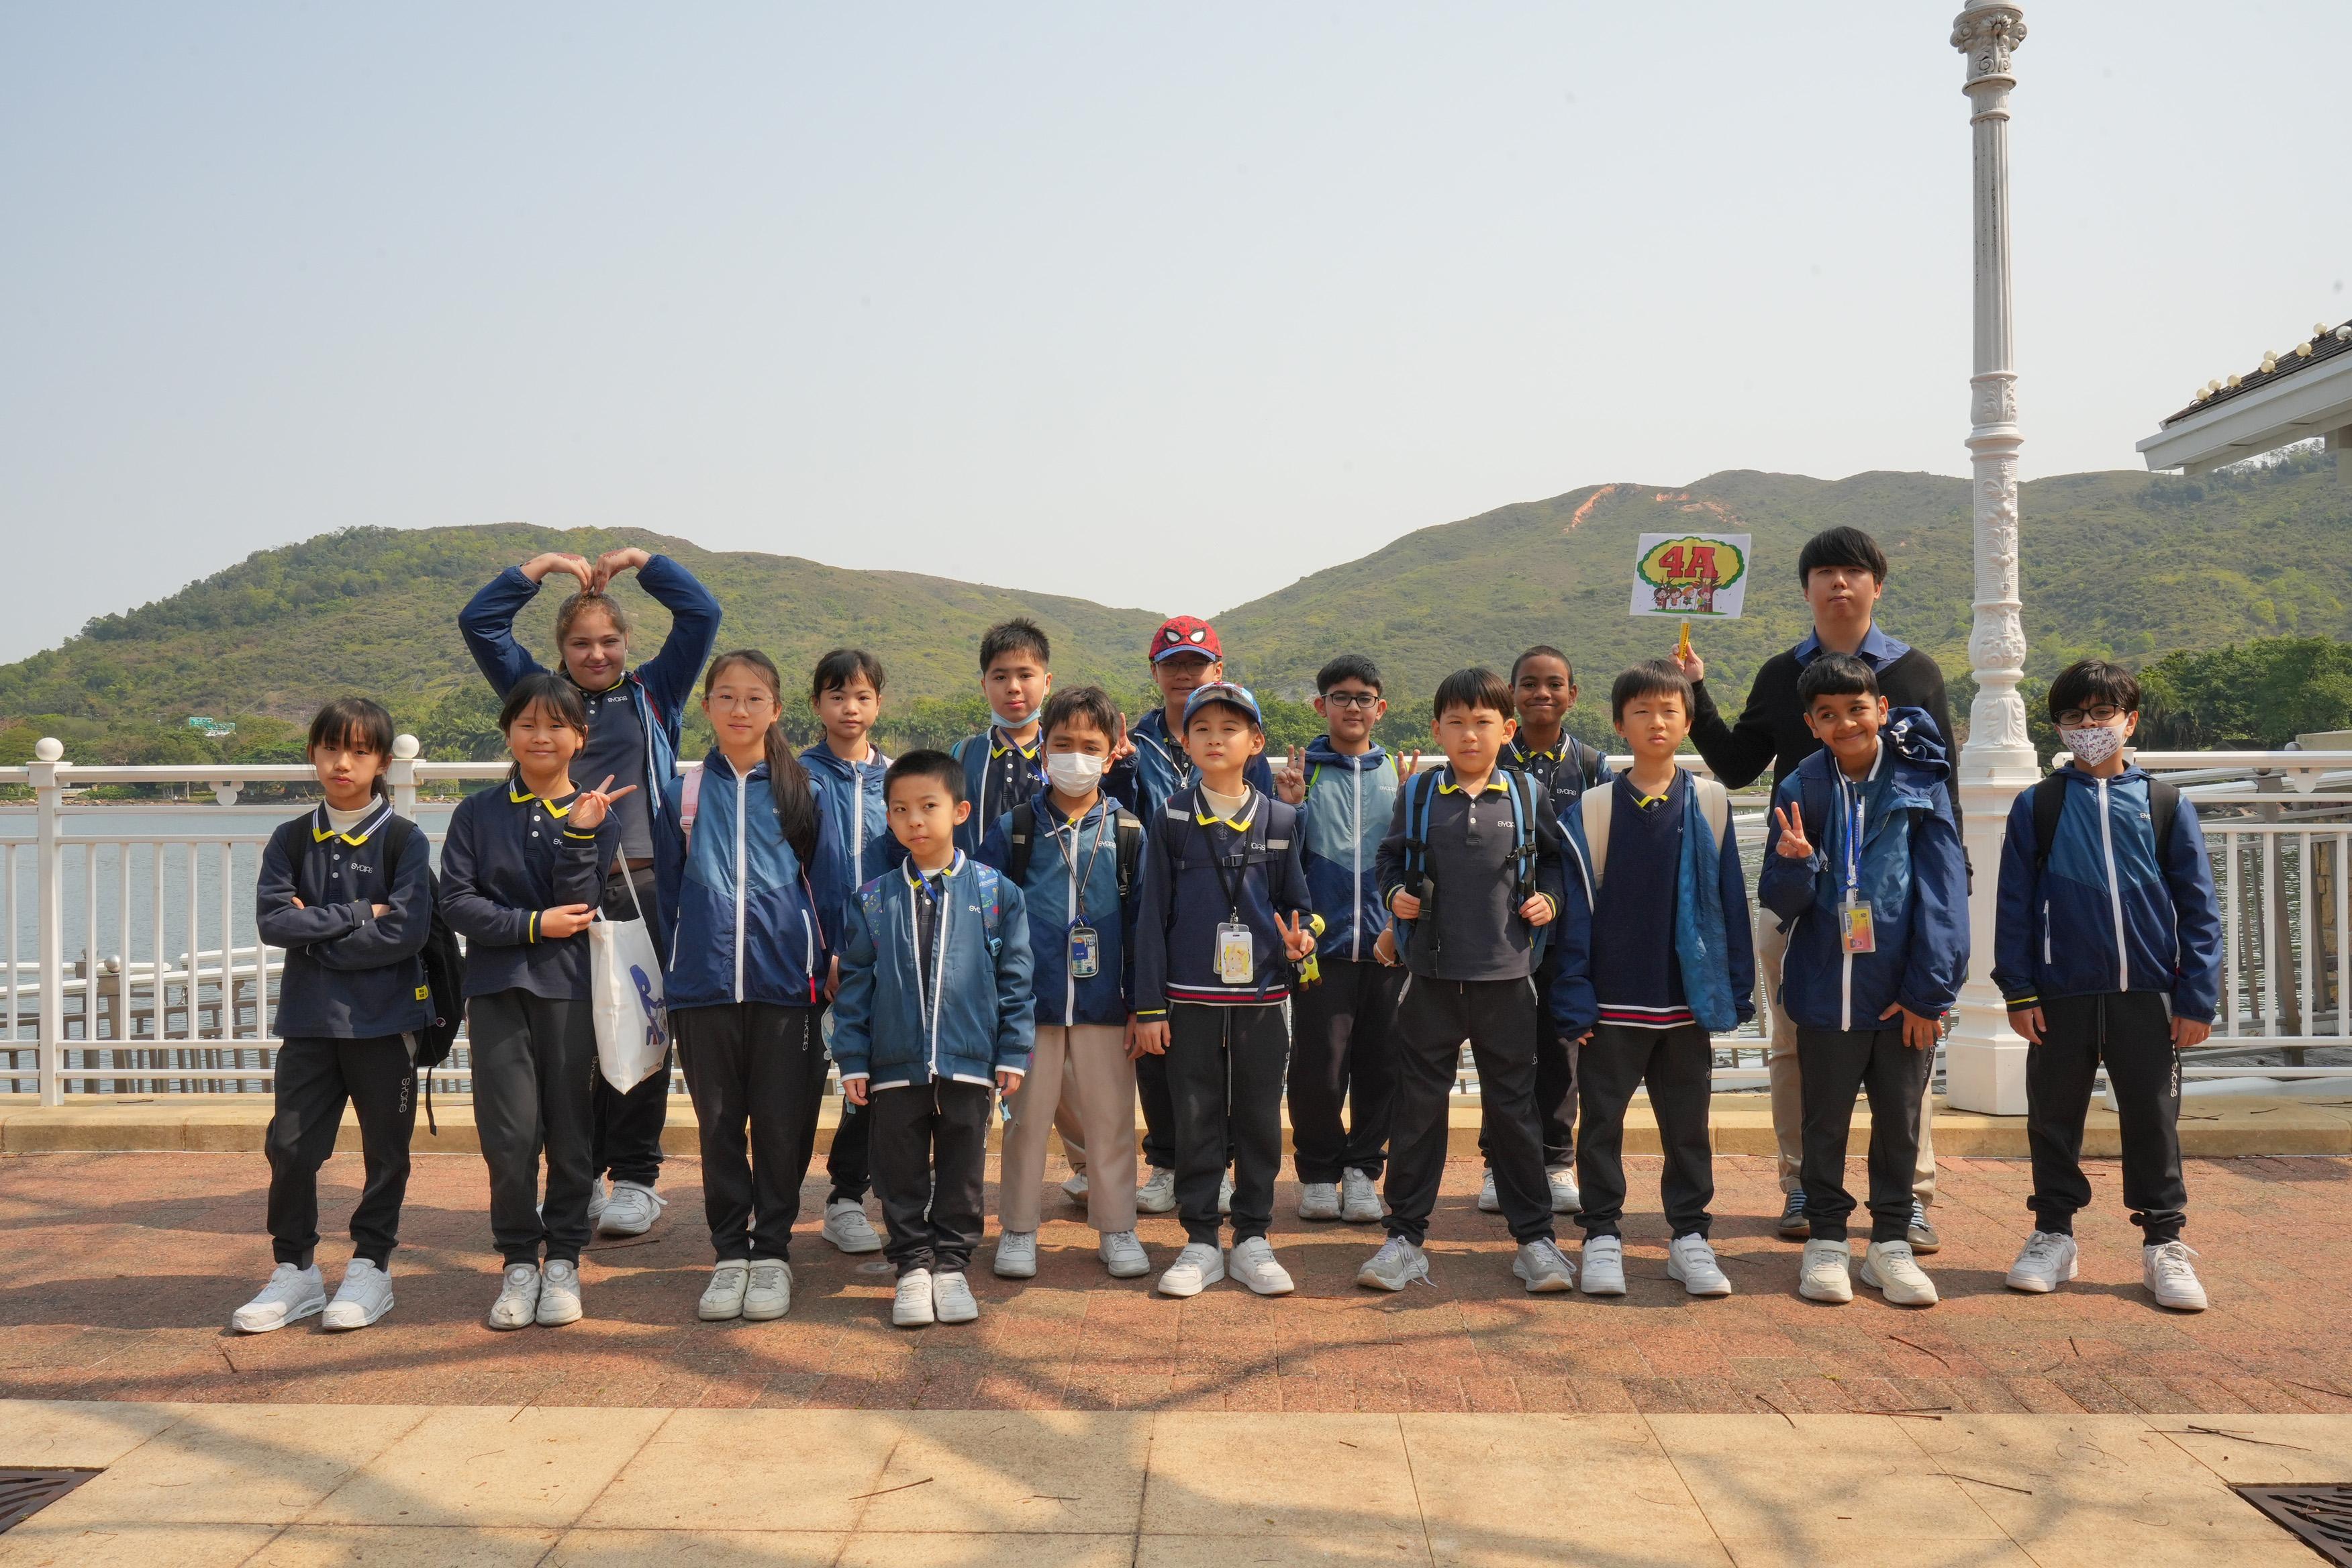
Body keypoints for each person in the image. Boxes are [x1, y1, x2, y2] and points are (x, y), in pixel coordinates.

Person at [1673, 526, 1956, 1251]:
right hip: (1798, 894)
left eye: (1854, 571)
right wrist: (1696, 689)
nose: (1839, 583)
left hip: (1892, 903)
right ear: (1805, 589)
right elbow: (1737, 765)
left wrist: (1944, 906)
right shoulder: (1781, 674)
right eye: (1824, 572)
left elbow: (1942, 791)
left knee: (1910, 1040)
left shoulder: (1915, 673)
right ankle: (1801, 1181)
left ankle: (1912, 1195)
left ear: (1877, 585)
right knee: (1795, 1040)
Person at [459, 546, 722, 1239]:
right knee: (570, 1042)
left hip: (640, 883)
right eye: (580, 643)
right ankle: (580, 1178)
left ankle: (635, 1178)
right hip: (558, 891)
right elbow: (480, 623)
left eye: (609, 640)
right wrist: (538, 568)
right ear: (561, 649)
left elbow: (702, 613)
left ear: (627, 643)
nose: (596, 654)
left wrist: (642, 561)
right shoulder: (539, 694)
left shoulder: (654, 690)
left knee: (639, 1025)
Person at [1994, 660, 2222, 1312]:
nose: (2089, 726)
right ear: (2058, 728)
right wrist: (2019, 991)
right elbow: (2013, 907)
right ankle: (2053, 1234)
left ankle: (2164, 1243)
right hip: (2059, 993)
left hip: (2148, 993)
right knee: (2052, 1117)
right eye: (2074, 716)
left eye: (2102, 713)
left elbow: (2200, 909)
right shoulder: (2039, 805)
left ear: (2130, 720)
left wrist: (2196, 996)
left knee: (2153, 1117)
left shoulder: (2165, 803)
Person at [1757, 656, 1967, 1308]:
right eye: (1828, 714)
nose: (1845, 723)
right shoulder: (1801, 786)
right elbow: (1779, 900)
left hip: (1902, 995)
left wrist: (1930, 992)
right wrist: (1797, 865)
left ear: (1881, 709)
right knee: (1824, 1123)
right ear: (1811, 724)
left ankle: (1889, 1244)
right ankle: (1826, 1240)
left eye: (1856, 709)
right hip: (1825, 990)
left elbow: (1944, 892)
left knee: (1900, 1124)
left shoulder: (1919, 781)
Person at [1357, 668, 1572, 1295]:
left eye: (1483, 723)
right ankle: (1404, 1238)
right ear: (1437, 730)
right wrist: (1394, 895)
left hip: (1508, 977)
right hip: (1430, 977)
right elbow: (1389, 858)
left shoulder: (1527, 794)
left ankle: (1535, 1241)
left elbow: (1556, 864)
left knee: (1515, 1112)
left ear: (1507, 730)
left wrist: (1551, 902)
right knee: (1419, 1110)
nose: (1469, 734)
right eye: (1456, 722)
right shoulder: (1420, 793)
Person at [1551, 660, 1753, 1299]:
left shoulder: (1710, 803)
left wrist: (1735, 990)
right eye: (1641, 711)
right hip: (1612, 1005)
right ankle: (1602, 1235)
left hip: (1687, 1002)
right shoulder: (1594, 809)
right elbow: (1575, 915)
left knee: (1688, 1128)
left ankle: (1689, 1236)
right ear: (1619, 724)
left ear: (1689, 722)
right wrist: (1575, 996)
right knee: (1601, 1125)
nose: (1656, 722)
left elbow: (1731, 904)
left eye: (1670, 711)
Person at [233, 698, 434, 1334]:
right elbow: (274, 923)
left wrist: (316, 935)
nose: (342, 762)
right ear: (313, 754)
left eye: (359, 751)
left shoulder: (404, 840)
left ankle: (372, 1265)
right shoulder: (292, 838)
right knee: (289, 1147)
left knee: (386, 1152)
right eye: (330, 748)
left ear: (382, 761)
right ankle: (294, 1270)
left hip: (385, 1023)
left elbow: (407, 932)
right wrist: (358, 913)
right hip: (309, 1022)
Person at [439, 673, 629, 1330]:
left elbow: (579, 905)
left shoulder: (598, 813)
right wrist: (530, 924)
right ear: (509, 734)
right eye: (527, 724)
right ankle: (520, 1261)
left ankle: (565, 1260)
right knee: (510, 1136)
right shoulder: (476, 812)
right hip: (495, 989)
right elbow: (456, 902)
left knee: (572, 1133)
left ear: (580, 737)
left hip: (571, 990)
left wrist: (579, 834)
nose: (540, 736)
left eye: (555, 725)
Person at [656, 650, 840, 1324]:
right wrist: (676, 974)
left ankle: (773, 1253)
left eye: (755, 697)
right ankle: (730, 1252)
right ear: (706, 706)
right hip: (703, 988)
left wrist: (831, 961)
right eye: (727, 696)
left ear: (776, 709)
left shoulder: (805, 790)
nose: (740, 709)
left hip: (788, 985)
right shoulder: (681, 794)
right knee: (719, 1126)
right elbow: (667, 898)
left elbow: (830, 887)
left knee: (785, 1126)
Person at [830, 750, 1034, 1328]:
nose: (914, 820)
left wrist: (1012, 1052)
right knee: (899, 1172)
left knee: (963, 1171)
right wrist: (853, 1058)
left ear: (959, 811)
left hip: (969, 1063)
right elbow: (856, 988)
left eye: (928, 806)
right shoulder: (873, 898)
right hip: (894, 1066)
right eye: (900, 810)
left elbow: (1017, 981)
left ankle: (951, 1267)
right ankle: (913, 1268)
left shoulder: (996, 893)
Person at [1131, 682, 1318, 1299]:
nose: (1216, 739)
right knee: (1194, 1114)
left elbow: (1300, 907)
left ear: (1255, 743)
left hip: (1263, 997)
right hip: (1188, 998)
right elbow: (1151, 917)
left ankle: (1255, 1237)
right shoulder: (1172, 818)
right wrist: (1149, 1007)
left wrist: (1304, 940)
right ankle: (1201, 1241)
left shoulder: (1282, 820)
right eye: (1202, 729)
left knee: (1260, 1115)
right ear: (1185, 742)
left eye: (1230, 729)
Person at [978, 685, 1152, 1281]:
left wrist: (1143, 1005)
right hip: (1031, 1006)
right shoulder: (1016, 829)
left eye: (1090, 746)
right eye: (1062, 744)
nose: (1075, 756)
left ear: (1111, 754)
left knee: (1111, 1121)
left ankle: (1118, 1227)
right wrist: (997, 1002)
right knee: (1025, 1123)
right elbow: (986, 918)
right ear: (1043, 750)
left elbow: (1144, 926)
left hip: (1106, 1004)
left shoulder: (1129, 831)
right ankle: (1018, 1229)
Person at [1108, 615, 1275, 1216]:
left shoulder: (1242, 737)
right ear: (1155, 672)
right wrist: (1120, 771)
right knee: (1158, 1039)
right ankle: (1166, 1160)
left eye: (1196, 664)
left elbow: (1262, 821)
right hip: (1148, 902)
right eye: (1172, 664)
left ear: (1217, 670)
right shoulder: (1136, 744)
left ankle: (1220, 1165)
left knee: (1223, 1050)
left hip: (1223, 910)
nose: (1184, 674)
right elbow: (1116, 820)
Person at [1272, 654, 1405, 1225]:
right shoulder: (1302, 773)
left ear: (1380, 707)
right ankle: (1320, 1174)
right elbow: (1283, 860)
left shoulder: (1399, 774)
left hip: (1387, 947)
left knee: (1383, 1066)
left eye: (1364, 698)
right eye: (1341, 697)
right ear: (1320, 705)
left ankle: (1362, 1172)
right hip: (1319, 951)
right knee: (1317, 1070)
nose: (1353, 707)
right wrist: (1291, 808)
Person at [1483, 646, 1614, 1219]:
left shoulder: (1591, 766)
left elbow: (1606, 851)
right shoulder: (1491, 757)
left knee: (1563, 1049)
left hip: (1570, 930)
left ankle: (1557, 1161)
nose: (1542, 693)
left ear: (1573, 695)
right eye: (1530, 683)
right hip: (1499, 931)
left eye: (1555, 684)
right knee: (1503, 1050)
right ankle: (1498, 1163)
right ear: (1512, 695)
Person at [797, 647, 901, 1259]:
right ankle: (780, 1201)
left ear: (878, 704)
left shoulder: (898, 781)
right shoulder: (795, 776)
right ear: (817, 704)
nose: (850, 707)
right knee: (802, 1081)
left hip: (882, 956)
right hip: (811, 957)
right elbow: (787, 876)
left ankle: (845, 1198)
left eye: (862, 696)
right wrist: (824, 952)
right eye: (837, 696)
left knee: (876, 1077)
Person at [949, 618, 1055, 856]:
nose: (1013, 687)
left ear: (1047, 683)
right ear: (984, 686)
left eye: (1025, 675)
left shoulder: (1062, 753)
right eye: (1000, 677)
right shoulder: (963, 754)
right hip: (975, 879)